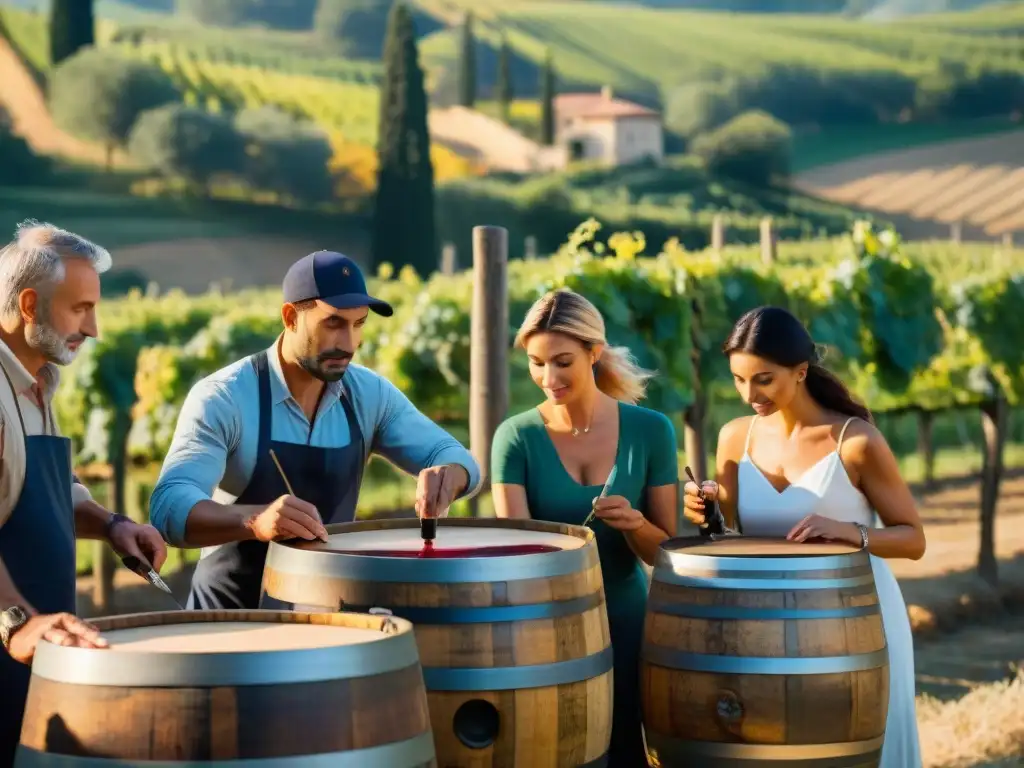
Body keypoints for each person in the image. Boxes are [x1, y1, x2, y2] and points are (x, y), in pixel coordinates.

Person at [149, 250, 482, 611]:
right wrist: (254, 521)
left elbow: (455, 457)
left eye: (359, 324)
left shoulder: (369, 395)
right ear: (291, 317)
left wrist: (451, 474)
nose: (349, 344)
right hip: (228, 628)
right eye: (334, 323)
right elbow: (170, 505)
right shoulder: (224, 397)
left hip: (327, 627)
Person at [683, 305, 925, 768]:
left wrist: (849, 532)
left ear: (800, 372)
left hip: (859, 618)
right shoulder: (735, 438)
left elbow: (914, 540)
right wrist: (705, 509)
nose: (748, 393)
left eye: (763, 379)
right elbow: (730, 537)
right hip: (765, 626)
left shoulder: (855, 442)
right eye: (738, 379)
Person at [0, 221, 168, 764]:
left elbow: (47, 489)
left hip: (37, 660)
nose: (93, 328)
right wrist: (17, 623)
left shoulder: (36, 381)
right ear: (29, 303)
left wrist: (113, 524)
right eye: (81, 308)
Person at [490, 289, 678, 767]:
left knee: (628, 751)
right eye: (536, 363)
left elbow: (666, 553)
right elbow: (515, 551)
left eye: (562, 361)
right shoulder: (515, 437)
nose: (548, 378)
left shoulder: (651, 430)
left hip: (628, 617)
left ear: (595, 352)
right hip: (543, 624)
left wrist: (636, 525)